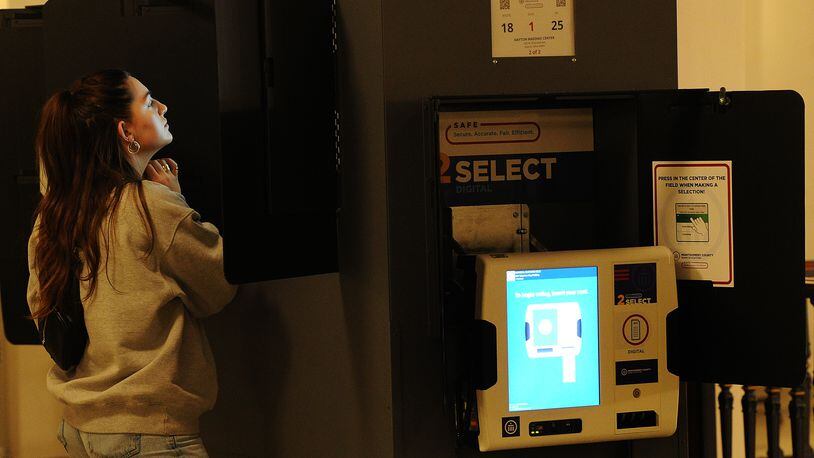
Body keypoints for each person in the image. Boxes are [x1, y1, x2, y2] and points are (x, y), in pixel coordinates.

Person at [26, 69, 237, 457]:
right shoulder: (151, 206)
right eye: (148, 100)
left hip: (80, 429)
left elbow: (42, 311)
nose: (162, 106)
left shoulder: (50, 218)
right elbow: (219, 287)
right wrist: (177, 201)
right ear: (126, 132)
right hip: (150, 435)